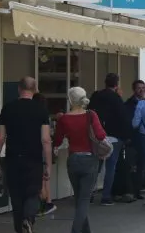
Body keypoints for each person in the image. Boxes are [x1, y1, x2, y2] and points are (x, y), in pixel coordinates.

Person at [0, 77, 51, 233]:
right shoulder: (41, 110)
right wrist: (48, 165)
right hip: (33, 160)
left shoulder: (8, 108)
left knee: (16, 198)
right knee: (33, 193)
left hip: (13, 160)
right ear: (35, 90)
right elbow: (45, 140)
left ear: (19, 89)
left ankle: (20, 227)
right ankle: (29, 218)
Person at [53, 87, 107, 233]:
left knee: (79, 199)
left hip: (73, 160)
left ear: (70, 100)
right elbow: (101, 135)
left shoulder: (64, 118)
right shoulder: (91, 115)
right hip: (90, 159)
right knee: (83, 200)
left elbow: (57, 140)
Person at [88, 73, 131, 206]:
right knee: (111, 166)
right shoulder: (116, 98)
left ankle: (88, 194)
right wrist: (126, 136)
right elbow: (123, 118)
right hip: (115, 136)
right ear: (116, 84)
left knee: (96, 166)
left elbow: (89, 112)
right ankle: (106, 196)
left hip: (98, 135)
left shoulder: (96, 96)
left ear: (105, 82)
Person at [32, 93, 57, 217]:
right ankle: (48, 202)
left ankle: (42, 204)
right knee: (45, 178)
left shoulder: (33, 115)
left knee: (40, 179)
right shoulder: (45, 115)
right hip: (44, 149)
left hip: (36, 148)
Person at [122, 80, 145, 200]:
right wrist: (128, 137)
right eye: (138, 88)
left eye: (143, 88)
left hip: (143, 139)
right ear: (134, 90)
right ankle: (130, 190)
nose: (141, 90)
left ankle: (137, 191)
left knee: (141, 166)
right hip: (133, 139)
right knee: (131, 166)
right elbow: (127, 122)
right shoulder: (129, 104)